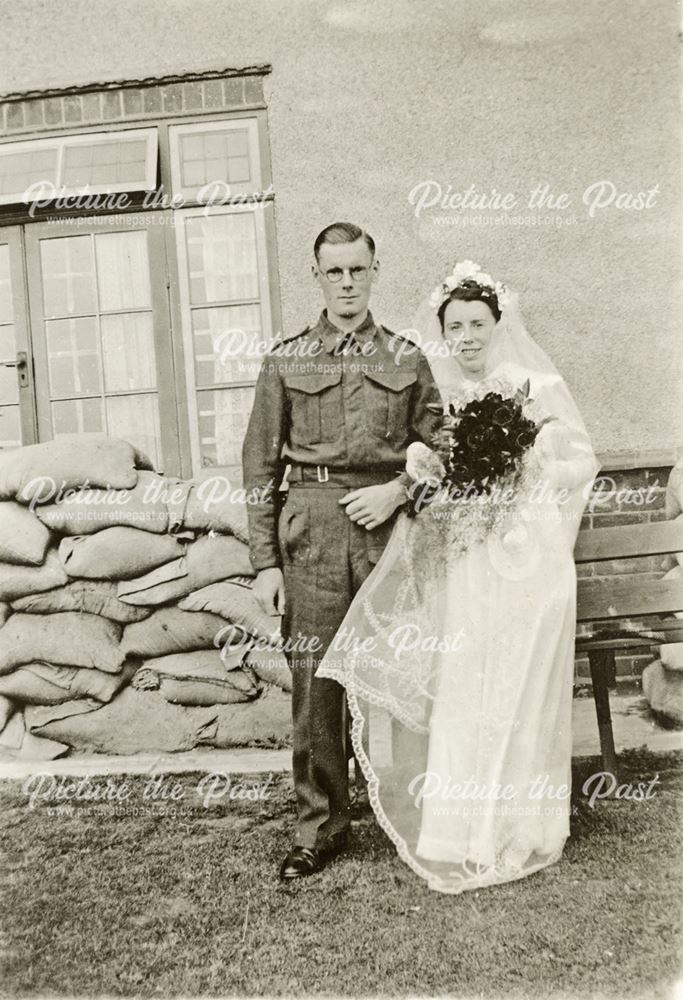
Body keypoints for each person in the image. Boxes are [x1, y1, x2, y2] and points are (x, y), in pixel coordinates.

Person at [316, 261, 599, 894]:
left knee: (518, 684)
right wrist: (423, 463)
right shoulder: (440, 390)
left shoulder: (537, 382)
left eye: (477, 323)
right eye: (455, 326)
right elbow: (431, 473)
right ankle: (457, 828)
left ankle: (520, 825)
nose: (466, 336)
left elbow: (583, 461)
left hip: (528, 557)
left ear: (498, 325)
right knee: (468, 679)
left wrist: (530, 472)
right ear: (442, 333)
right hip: (471, 559)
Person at [242, 222, 443, 880]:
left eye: (358, 270)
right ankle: (321, 827)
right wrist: (265, 563)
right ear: (317, 277)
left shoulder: (407, 358)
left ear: (375, 270)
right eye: (335, 272)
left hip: (390, 528)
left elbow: (444, 450)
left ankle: (414, 816)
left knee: (405, 674)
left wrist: (397, 493)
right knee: (316, 686)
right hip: (315, 532)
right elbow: (258, 468)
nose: (347, 283)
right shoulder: (286, 360)